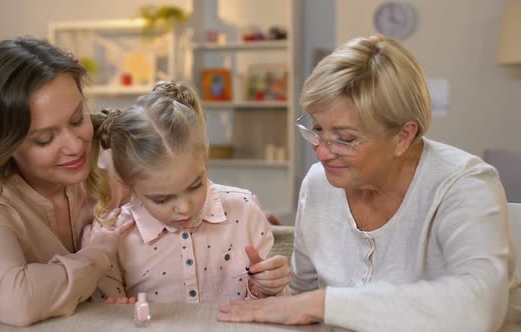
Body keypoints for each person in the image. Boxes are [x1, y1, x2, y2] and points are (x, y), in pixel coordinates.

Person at [217, 34, 519, 331]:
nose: (322, 152)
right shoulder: (320, 184)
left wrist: (322, 304)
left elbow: (480, 307)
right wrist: (269, 289)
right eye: (317, 129)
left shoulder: (465, 185)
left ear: (403, 136)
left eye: (346, 139)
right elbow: (300, 296)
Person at [0, 36, 131, 326]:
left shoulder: (104, 162)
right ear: (3, 143)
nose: (75, 146)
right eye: (45, 139)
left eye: (78, 119)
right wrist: (97, 256)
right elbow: (17, 303)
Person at [89, 80, 291, 303]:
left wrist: (268, 288)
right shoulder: (115, 237)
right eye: (162, 199)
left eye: (195, 185)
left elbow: (275, 306)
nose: (185, 207)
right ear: (127, 186)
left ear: (205, 159)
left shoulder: (244, 210)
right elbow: (107, 317)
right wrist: (120, 315)